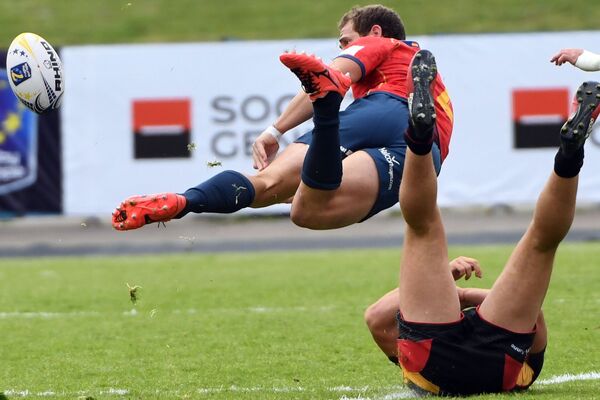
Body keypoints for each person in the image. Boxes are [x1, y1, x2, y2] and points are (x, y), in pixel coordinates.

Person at [112, 4, 454, 231]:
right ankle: (183, 203)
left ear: (374, 32)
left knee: (270, 180)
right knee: (304, 210)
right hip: (421, 154)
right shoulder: (423, 70)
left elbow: (336, 73)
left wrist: (274, 130)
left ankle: (325, 113)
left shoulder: (387, 44)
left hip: (382, 109)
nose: (343, 46)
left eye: (345, 40)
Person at [385, 46, 599, 395]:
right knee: (422, 228)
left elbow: (533, 318)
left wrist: (458, 291)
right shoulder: (523, 355)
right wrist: (460, 291)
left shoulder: (529, 360)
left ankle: (569, 156)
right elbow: (378, 317)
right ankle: (421, 139)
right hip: (452, 356)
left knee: (541, 243)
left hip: (485, 353)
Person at [364, 256, 547, 392]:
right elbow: (531, 311)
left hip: (441, 364)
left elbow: (377, 318)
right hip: (474, 354)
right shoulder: (519, 367)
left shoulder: (423, 351)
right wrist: (448, 283)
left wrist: (458, 291)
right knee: (540, 246)